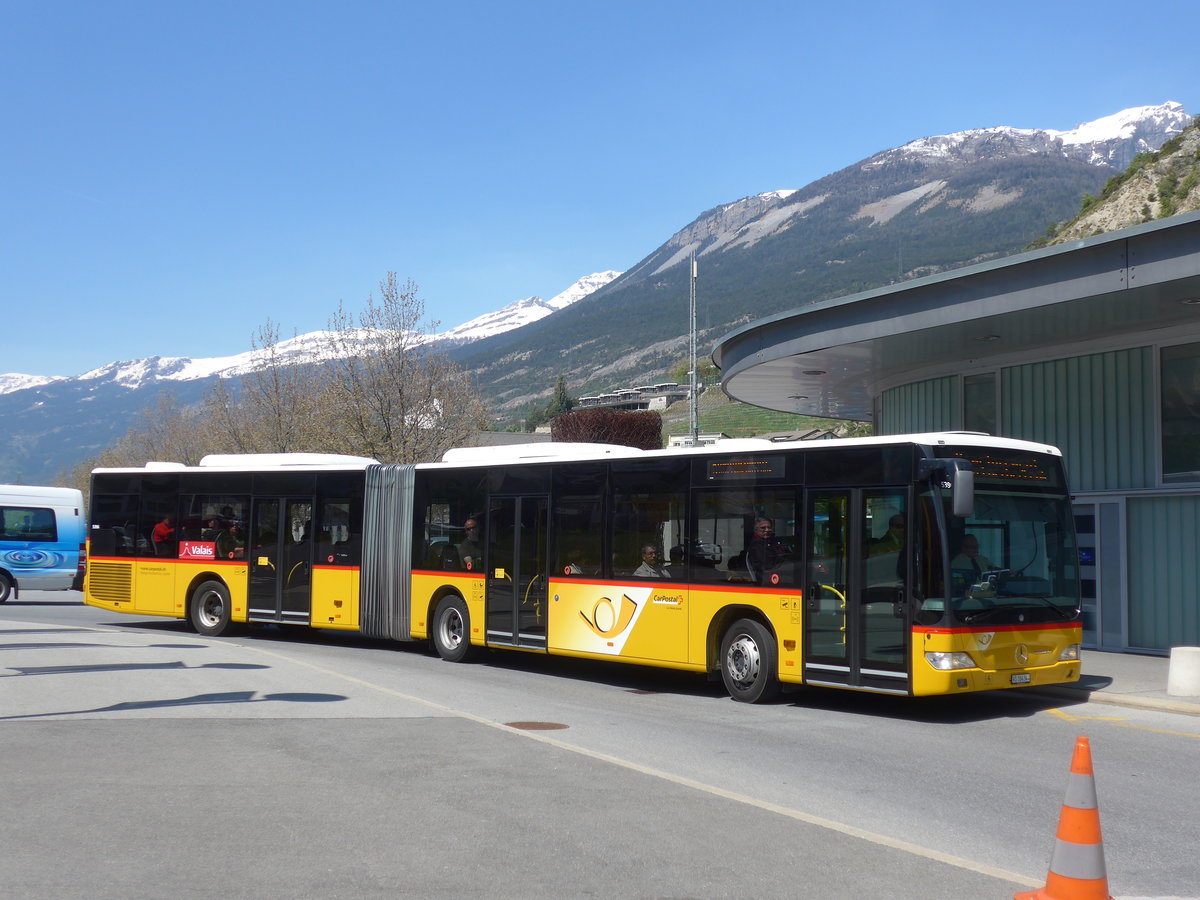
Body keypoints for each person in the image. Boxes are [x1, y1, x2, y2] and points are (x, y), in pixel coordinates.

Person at [746, 517, 788, 584]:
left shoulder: (770, 542)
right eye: (763, 528)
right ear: (756, 530)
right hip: (766, 580)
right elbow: (767, 566)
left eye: (769, 527)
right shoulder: (757, 545)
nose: (767, 530)